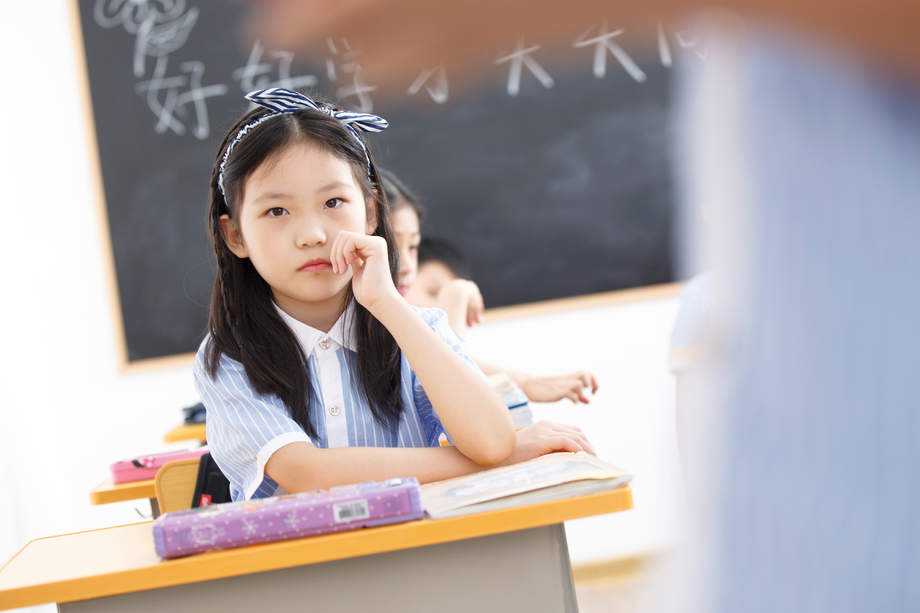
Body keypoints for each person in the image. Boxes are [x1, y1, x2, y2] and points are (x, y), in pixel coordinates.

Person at [193, 88, 595, 502]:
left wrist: (390, 306)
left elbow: (492, 441)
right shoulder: (228, 356)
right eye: (277, 211)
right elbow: (306, 472)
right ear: (235, 235)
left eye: (333, 201)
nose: (312, 235)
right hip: (304, 567)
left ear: (369, 213)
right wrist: (485, 462)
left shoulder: (418, 330)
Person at [382, 171, 599, 405]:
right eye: (393, 246)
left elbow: (443, 365)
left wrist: (525, 382)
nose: (406, 268)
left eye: (413, 247)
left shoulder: (400, 345)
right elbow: (454, 408)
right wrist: (454, 301)